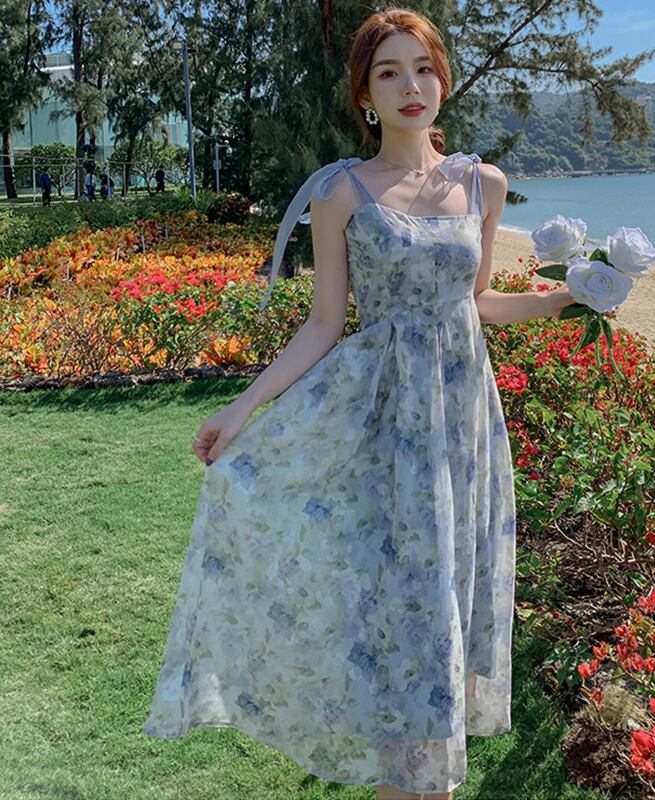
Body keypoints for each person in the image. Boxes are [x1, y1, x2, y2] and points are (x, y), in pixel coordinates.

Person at [141, 9, 575, 800]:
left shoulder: (481, 184)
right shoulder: (341, 193)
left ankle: (420, 781)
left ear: (443, 80)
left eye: (423, 68)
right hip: (383, 429)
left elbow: (476, 301)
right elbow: (323, 324)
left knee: (442, 609)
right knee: (403, 616)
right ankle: (415, 782)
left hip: (463, 429)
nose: (411, 86)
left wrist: (565, 299)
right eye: (389, 72)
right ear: (365, 96)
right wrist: (242, 409)